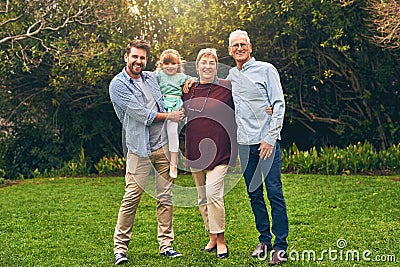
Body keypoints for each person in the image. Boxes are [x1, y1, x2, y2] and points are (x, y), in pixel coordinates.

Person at [109, 39, 185, 265]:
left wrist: (187, 84)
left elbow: (172, 83)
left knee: (165, 197)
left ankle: (166, 245)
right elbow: (143, 114)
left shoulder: (152, 78)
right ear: (126, 57)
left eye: (142, 58)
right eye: (135, 57)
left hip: (162, 147)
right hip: (139, 149)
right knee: (131, 198)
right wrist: (169, 116)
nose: (138, 61)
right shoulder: (118, 85)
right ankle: (120, 249)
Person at [227, 30, 289, 266]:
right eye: (235, 45)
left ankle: (280, 246)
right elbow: (210, 80)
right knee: (254, 195)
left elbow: (279, 104)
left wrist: (270, 138)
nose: (239, 48)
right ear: (230, 50)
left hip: (267, 144)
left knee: (274, 192)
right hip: (245, 144)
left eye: (243, 44)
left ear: (250, 47)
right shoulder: (232, 75)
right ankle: (264, 240)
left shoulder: (266, 69)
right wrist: (189, 80)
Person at [182, 48, 237, 259]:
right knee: (202, 197)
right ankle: (212, 236)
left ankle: (221, 239)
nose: (207, 66)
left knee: (214, 194)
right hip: (195, 151)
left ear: (216, 66)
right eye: (203, 62)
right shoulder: (188, 88)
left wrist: (267, 108)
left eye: (211, 62)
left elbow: (247, 101)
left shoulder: (227, 87)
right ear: (197, 66)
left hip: (221, 150)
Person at [155, 49, 191, 178]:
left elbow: (194, 79)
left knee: (172, 132)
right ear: (162, 64)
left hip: (175, 105)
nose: (170, 66)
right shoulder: (159, 74)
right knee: (159, 133)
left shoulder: (181, 77)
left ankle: (174, 164)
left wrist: (189, 82)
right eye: (166, 63)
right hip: (162, 105)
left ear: (178, 64)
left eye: (173, 63)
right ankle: (157, 161)